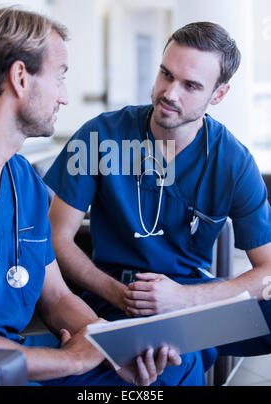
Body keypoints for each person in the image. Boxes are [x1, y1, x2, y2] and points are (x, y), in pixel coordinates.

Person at [0, 6, 197, 387]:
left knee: (173, 369)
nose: (64, 96)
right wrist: (73, 361)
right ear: (21, 78)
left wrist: (112, 343)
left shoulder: (22, 180)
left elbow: (56, 297)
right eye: (60, 77)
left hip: (19, 357)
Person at [43, 21, 271, 375]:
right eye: (166, 74)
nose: (170, 93)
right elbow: (56, 239)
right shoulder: (100, 137)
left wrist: (185, 299)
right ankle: (189, 343)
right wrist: (122, 294)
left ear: (219, 95)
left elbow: (268, 270)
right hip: (117, 290)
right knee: (179, 361)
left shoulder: (233, 162)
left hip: (191, 294)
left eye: (191, 85)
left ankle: (190, 334)